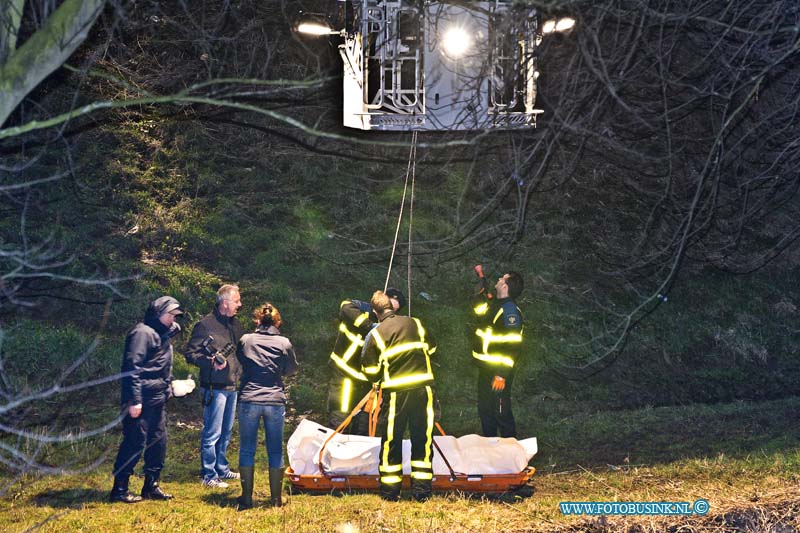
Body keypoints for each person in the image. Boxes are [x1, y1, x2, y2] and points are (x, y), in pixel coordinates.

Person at [362, 290, 437, 502]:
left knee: (391, 441)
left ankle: (390, 492)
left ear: (376, 312)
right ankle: (422, 492)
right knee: (422, 438)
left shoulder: (377, 333)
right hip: (424, 390)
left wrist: (379, 378)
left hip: (396, 393)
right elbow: (431, 348)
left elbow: (369, 370)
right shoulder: (416, 323)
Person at [109, 296, 183, 503]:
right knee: (134, 443)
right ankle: (120, 489)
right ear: (158, 314)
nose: (173, 319)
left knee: (158, 442)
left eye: (175, 316)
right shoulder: (142, 333)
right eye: (170, 315)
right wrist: (135, 400)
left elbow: (159, 365)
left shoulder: (162, 333)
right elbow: (131, 368)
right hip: (140, 399)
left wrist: (172, 387)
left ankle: (151, 486)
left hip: (158, 398)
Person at [236, 303, 298, 510]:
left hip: (249, 398)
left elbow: (240, 362)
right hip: (274, 399)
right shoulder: (284, 343)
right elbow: (291, 369)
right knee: (275, 450)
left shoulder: (246, 340)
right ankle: (276, 499)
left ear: (257, 320)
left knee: (246, 449)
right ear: (277, 322)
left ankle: (246, 498)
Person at [184, 284, 245, 488]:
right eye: (237, 301)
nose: (240, 304)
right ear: (225, 303)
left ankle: (222, 468)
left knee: (226, 432)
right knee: (212, 433)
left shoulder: (236, 325)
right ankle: (208, 475)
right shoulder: (204, 325)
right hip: (213, 387)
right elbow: (190, 354)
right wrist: (209, 362)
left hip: (232, 386)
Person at [327, 288, 405, 435]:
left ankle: (358, 457)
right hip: (344, 375)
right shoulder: (359, 309)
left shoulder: (390, 328)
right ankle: (332, 455)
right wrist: (370, 327)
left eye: (393, 310)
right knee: (339, 418)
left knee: (364, 426)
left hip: (367, 384)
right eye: (387, 306)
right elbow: (345, 306)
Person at [471, 270, 524, 438]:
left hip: (498, 371)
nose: (499, 278)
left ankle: (511, 454)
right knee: (486, 411)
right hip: (486, 368)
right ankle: (491, 452)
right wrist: (479, 294)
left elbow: (513, 347)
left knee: (501, 412)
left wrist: (501, 375)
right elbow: (479, 314)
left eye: (502, 278)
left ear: (505, 286)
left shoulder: (510, 313)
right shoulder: (495, 304)